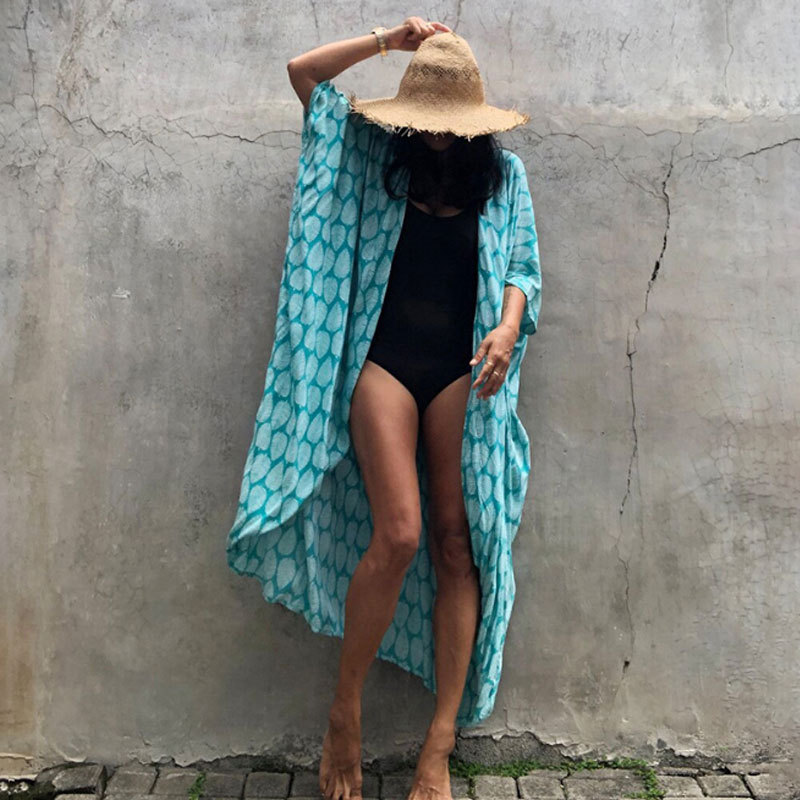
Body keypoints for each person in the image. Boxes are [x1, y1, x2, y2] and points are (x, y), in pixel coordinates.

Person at [227, 19, 542, 800]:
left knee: (455, 544)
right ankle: (345, 712)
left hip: (463, 371)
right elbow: (303, 75)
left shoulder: (505, 178)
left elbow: (523, 270)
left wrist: (507, 327)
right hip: (383, 362)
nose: (435, 136)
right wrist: (385, 40)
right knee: (399, 533)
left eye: (447, 123)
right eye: (424, 120)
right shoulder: (374, 158)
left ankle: (439, 744)